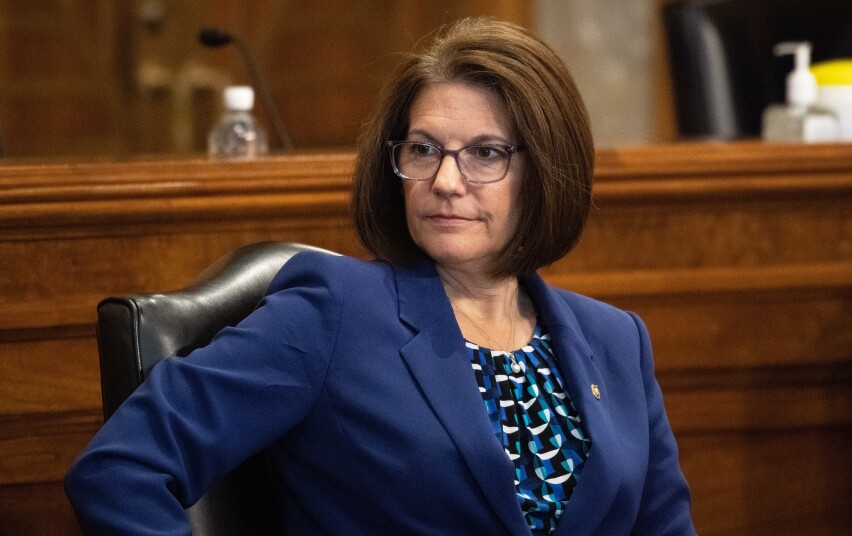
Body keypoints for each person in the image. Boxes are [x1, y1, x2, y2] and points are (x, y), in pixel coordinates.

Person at [65, 17, 696, 535]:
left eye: (485, 153)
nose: (445, 181)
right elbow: (122, 468)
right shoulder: (333, 311)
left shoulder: (617, 340)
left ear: (549, 171)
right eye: (423, 150)